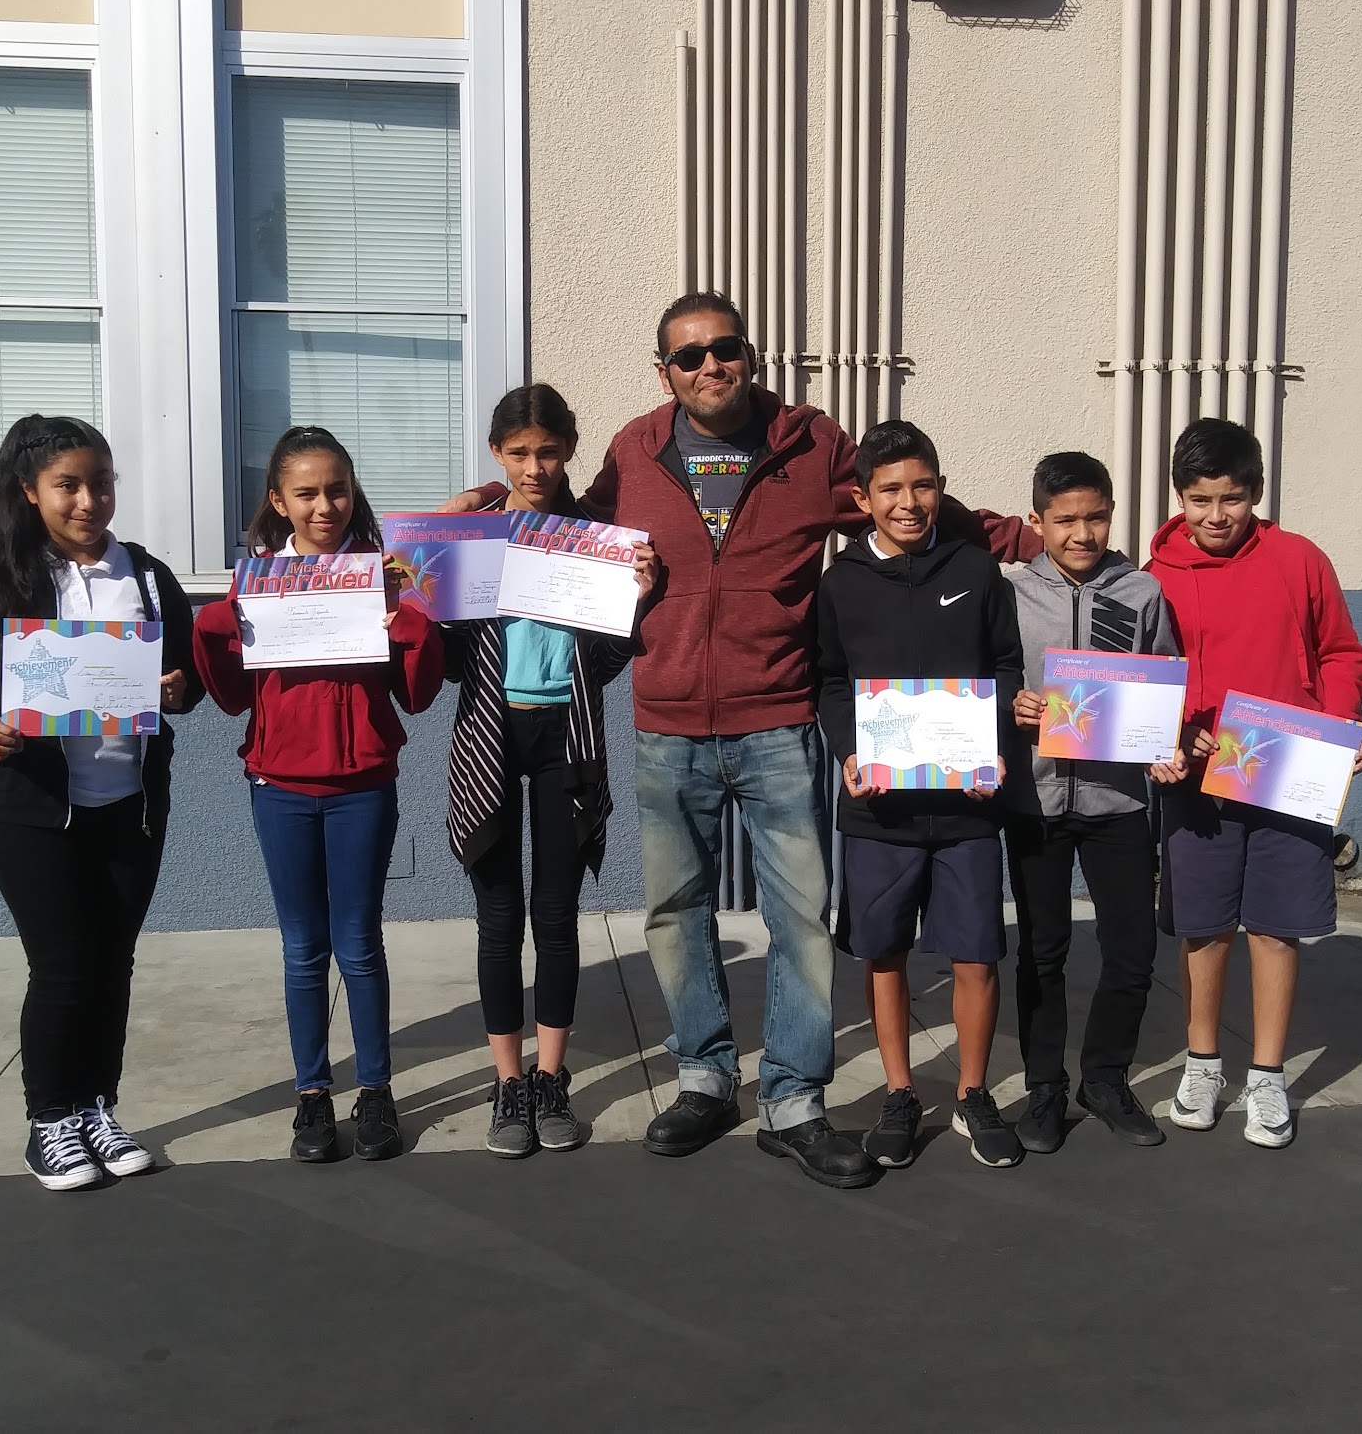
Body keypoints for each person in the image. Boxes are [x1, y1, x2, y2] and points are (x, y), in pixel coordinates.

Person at [443, 292, 1031, 1189]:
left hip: (778, 720)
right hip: (668, 724)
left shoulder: (810, 445)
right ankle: (705, 1078)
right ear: (664, 373)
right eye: (688, 356)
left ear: (750, 356)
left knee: (799, 918)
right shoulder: (635, 451)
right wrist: (485, 507)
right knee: (676, 913)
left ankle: (793, 1098)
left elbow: (905, 497)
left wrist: (1027, 536)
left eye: (724, 348)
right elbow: (567, 522)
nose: (709, 365)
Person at [0, 414, 202, 1191]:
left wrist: (180, 689)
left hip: (130, 806)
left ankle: (97, 1108)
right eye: (68, 485)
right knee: (64, 967)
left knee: (112, 965)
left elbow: (186, 679)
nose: (88, 501)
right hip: (34, 813)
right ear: (29, 491)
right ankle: (50, 1122)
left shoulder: (146, 576)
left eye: (101, 483)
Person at [192, 427, 444, 1165]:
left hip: (363, 784)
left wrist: (409, 622)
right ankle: (311, 1094)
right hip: (279, 786)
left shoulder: (383, 576)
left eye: (337, 490)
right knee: (303, 949)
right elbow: (232, 697)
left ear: (353, 492)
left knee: (358, 944)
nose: (324, 506)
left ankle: (375, 1090)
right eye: (305, 493)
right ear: (278, 501)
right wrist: (217, 625)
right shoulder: (258, 580)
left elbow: (418, 693)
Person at [442, 385, 658, 1158]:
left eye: (548, 451)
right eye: (519, 453)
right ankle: (509, 1081)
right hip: (490, 734)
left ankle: (550, 1075)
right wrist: (430, 566)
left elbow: (603, 662)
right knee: (499, 919)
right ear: (496, 453)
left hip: (567, 734)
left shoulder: (594, 537)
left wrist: (635, 601)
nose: (534, 467)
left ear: (569, 449)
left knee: (557, 917)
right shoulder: (470, 536)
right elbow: (446, 661)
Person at [1147, 418, 1362, 1149]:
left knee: (1277, 928)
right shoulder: (1154, 577)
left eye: (1232, 499)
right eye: (1200, 500)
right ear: (1180, 497)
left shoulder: (1300, 560)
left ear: (1257, 492)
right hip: (1198, 782)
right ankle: (1203, 1065)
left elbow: (1340, 653)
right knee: (1204, 928)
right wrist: (1173, 732)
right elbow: (1147, 679)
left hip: (1289, 773)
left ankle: (1268, 1076)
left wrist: (1340, 726)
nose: (1216, 516)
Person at [815, 422, 1026, 1170]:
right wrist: (849, 750)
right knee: (884, 952)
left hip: (968, 804)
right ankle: (900, 1093)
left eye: (923, 486)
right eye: (891, 490)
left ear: (941, 488)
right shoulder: (841, 582)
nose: (909, 503)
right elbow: (830, 681)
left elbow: (1006, 665)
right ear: (862, 499)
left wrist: (994, 745)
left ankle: (972, 1092)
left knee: (976, 953)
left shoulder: (975, 568)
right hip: (881, 807)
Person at [1005, 451, 1179, 1154]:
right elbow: (990, 679)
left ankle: (1105, 1080)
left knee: (1132, 951)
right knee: (1041, 952)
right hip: (1037, 802)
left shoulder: (1142, 592)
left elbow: (1164, 682)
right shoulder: (1010, 594)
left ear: (1112, 515)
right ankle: (1044, 1086)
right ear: (1037, 521)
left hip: (1119, 802)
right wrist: (1011, 705)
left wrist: (1163, 740)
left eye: (1097, 517)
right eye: (1066, 520)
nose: (1083, 533)